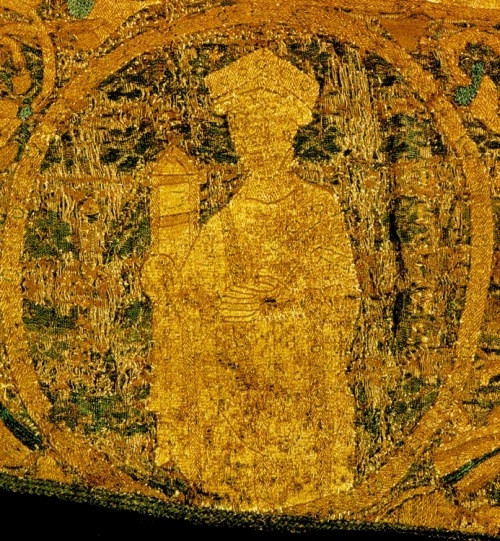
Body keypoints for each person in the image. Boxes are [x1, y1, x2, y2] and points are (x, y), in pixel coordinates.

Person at [150, 48, 361, 511]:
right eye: (246, 129)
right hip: (235, 400)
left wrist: (285, 299)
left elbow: (341, 298)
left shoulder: (319, 208)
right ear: (236, 139)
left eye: (269, 128)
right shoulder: (224, 221)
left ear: (289, 132)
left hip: (300, 394)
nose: (258, 140)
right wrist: (167, 285)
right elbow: (191, 299)